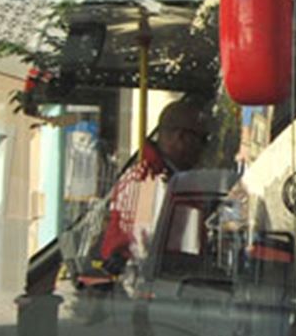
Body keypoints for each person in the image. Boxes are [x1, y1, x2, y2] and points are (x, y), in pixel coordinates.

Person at [80, 99, 212, 287]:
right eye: (203, 140)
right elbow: (139, 250)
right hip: (155, 297)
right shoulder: (148, 179)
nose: (204, 149)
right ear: (181, 137)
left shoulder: (172, 179)